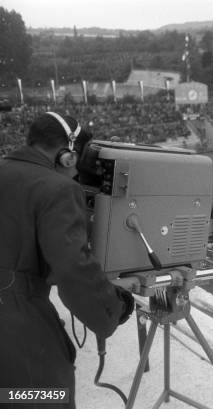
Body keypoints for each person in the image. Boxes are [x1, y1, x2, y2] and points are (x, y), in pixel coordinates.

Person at [0, 112, 134, 408]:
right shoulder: (57, 189)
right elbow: (73, 270)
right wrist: (112, 308)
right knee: (47, 396)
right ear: (67, 157)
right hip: (16, 326)